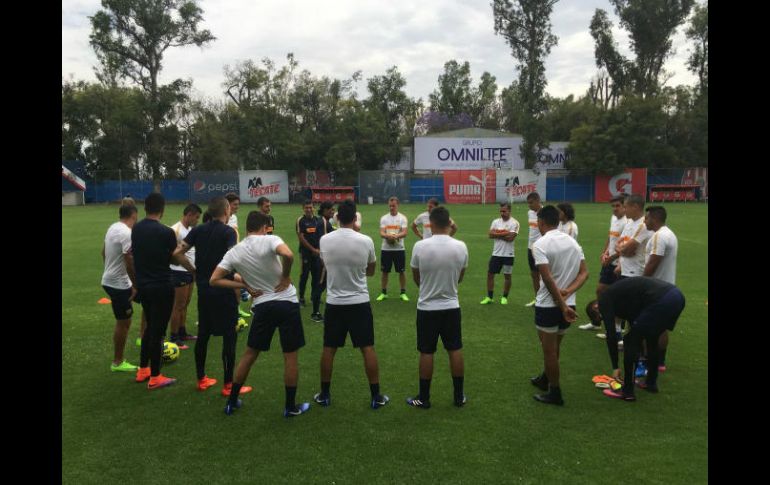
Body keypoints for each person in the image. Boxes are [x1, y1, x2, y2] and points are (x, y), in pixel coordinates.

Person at [213, 211, 310, 418]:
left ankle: (232, 402)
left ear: (247, 227)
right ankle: (290, 407)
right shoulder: (270, 239)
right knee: (290, 356)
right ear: (264, 226)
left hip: (263, 306)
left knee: (250, 354)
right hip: (286, 302)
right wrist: (285, 277)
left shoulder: (235, 252)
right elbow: (289, 255)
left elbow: (214, 280)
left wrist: (244, 284)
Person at [313, 200, 389, 409]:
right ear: (355, 218)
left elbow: (325, 264)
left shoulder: (325, 240)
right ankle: (376, 396)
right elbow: (372, 270)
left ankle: (325, 394)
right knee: (367, 348)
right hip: (359, 301)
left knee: (329, 348)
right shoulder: (366, 241)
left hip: (335, 302)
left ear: (337, 218)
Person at [173, 196, 253, 397]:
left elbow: (177, 253)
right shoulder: (228, 232)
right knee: (229, 336)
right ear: (226, 211)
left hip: (204, 291)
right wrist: (245, 280)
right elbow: (233, 258)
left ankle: (201, 379)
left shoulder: (198, 230)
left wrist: (194, 271)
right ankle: (228, 385)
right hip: (223, 290)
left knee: (204, 336)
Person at [407, 206, 468, 409]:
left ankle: (424, 398)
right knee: (455, 349)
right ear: (449, 223)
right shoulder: (461, 246)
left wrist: (428, 289)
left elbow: (417, 277)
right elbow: (460, 276)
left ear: (431, 224)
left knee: (426, 352)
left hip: (427, 307)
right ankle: (459, 396)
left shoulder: (420, 247)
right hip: (451, 305)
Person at [585, 277, 685, 401]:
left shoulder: (605, 299)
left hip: (661, 299)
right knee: (651, 338)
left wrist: (615, 367)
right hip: (677, 297)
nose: (605, 319)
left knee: (630, 341)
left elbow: (611, 335)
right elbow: (635, 319)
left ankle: (627, 391)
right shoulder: (620, 299)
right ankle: (651, 383)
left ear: (596, 308)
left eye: (601, 318)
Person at [529, 205, 588, 405]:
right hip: (570, 304)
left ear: (542, 222)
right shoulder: (573, 242)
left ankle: (555, 392)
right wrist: (569, 292)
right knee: (555, 348)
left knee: (549, 351)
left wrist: (562, 304)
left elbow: (546, 278)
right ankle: (545, 378)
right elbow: (584, 273)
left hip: (549, 306)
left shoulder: (540, 244)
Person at [132, 193, 188, 390]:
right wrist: (192, 268)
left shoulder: (136, 229)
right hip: (162, 285)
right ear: (162, 209)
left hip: (144, 286)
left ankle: (143, 370)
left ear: (145, 208)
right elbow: (174, 258)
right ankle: (155, 376)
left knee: (149, 328)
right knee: (158, 332)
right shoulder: (166, 232)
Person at [578, 195, 626, 331]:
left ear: (624, 206)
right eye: (613, 206)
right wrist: (605, 252)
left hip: (619, 265)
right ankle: (597, 321)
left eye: (618, 206)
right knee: (600, 291)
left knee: (617, 296)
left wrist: (612, 257)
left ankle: (618, 327)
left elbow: (626, 246)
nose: (615, 209)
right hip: (609, 261)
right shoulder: (613, 219)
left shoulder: (627, 222)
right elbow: (610, 236)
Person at [101, 204, 139, 372]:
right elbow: (129, 260)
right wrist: (135, 285)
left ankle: (143, 338)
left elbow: (103, 252)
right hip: (119, 284)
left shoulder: (113, 227)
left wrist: (109, 270)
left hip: (111, 280)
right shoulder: (127, 233)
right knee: (124, 322)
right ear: (134, 215)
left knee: (145, 300)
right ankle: (118, 362)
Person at [642, 205, 678, 373]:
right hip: (668, 287)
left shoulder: (659, 236)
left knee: (645, 326)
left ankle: (648, 362)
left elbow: (653, 262)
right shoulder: (670, 234)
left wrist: (641, 284)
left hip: (655, 290)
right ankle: (660, 361)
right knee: (662, 327)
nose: (644, 220)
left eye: (647, 217)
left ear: (654, 219)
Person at [168, 204, 202, 348]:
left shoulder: (191, 230)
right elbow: (171, 253)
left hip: (190, 271)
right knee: (178, 305)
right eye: (196, 217)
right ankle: (174, 337)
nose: (197, 220)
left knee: (186, 304)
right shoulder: (175, 230)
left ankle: (183, 332)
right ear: (188, 214)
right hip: (178, 272)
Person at [480, 203, 520, 305]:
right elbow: (490, 235)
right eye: (501, 211)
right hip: (496, 254)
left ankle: (504, 298)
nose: (502, 213)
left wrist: (496, 234)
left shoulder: (515, 223)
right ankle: (489, 297)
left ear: (509, 211)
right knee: (490, 274)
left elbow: (510, 239)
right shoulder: (496, 222)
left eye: (504, 211)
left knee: (507, 276)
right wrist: (505, 233)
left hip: (508, 254)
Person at [376, 196, 410, 302]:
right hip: (386, 249)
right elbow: (381, 232)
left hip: (399, 249)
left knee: (401, 272)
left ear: (397, 205)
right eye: (390, 206)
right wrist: (388, 236)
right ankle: (384, 293)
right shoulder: (384, 218)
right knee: (385, 271)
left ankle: (403, 293)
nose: (391, 208)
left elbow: (404, 232)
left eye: (393, 206)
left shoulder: (403, 218)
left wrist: (395, 236)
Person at [296, 199, 324, 322]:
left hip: (317, 254)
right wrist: (312, 249)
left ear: (314, 207)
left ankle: (314, 297)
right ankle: (301, 298)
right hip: (305, 254)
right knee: (304, 275)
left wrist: (318, 250)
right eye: (306, 207)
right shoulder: (301, 221)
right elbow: (301, 237)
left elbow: (322, 236)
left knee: (316, 276)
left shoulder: (318, 220)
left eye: (310, 207)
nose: (308, 209)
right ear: (303, 208)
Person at [524, 192, 544, 307]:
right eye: (528, 203)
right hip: (530, 248)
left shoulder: (545, 212)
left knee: (543, 275)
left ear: (538, 201)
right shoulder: (530, 213)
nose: (529, 205)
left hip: (541, 248)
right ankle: (537, 299)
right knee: (534, 274)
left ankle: (544, 299)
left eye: (531, 203)